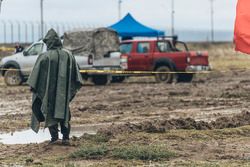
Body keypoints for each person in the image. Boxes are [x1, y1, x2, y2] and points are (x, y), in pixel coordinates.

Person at [27, 29, 82, 145]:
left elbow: (35, 77)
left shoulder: (44, 56)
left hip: (48, 93)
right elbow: (76, 76)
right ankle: (66, 138)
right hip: (64, 93)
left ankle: (54, 138)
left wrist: (34, 88)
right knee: (64, 111)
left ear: (49, 42)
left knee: (50, 113)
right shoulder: (68, 55)